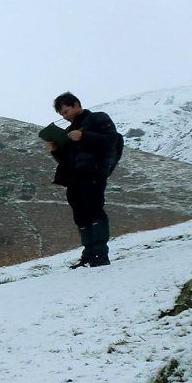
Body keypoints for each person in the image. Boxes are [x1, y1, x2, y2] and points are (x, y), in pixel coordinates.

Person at [46, 92, 119, 268]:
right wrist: (55, 150)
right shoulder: (68, 131)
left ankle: (100, 255)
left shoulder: (98, 118)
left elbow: (112, 140)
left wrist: (84, 136)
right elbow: (67, 159)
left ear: (77, 104)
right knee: (80, 215)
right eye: (62, 114)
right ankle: (88, 254)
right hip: (73, 178)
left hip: (93, 173)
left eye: (66, 111)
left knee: (94, 210)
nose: (65, 116)